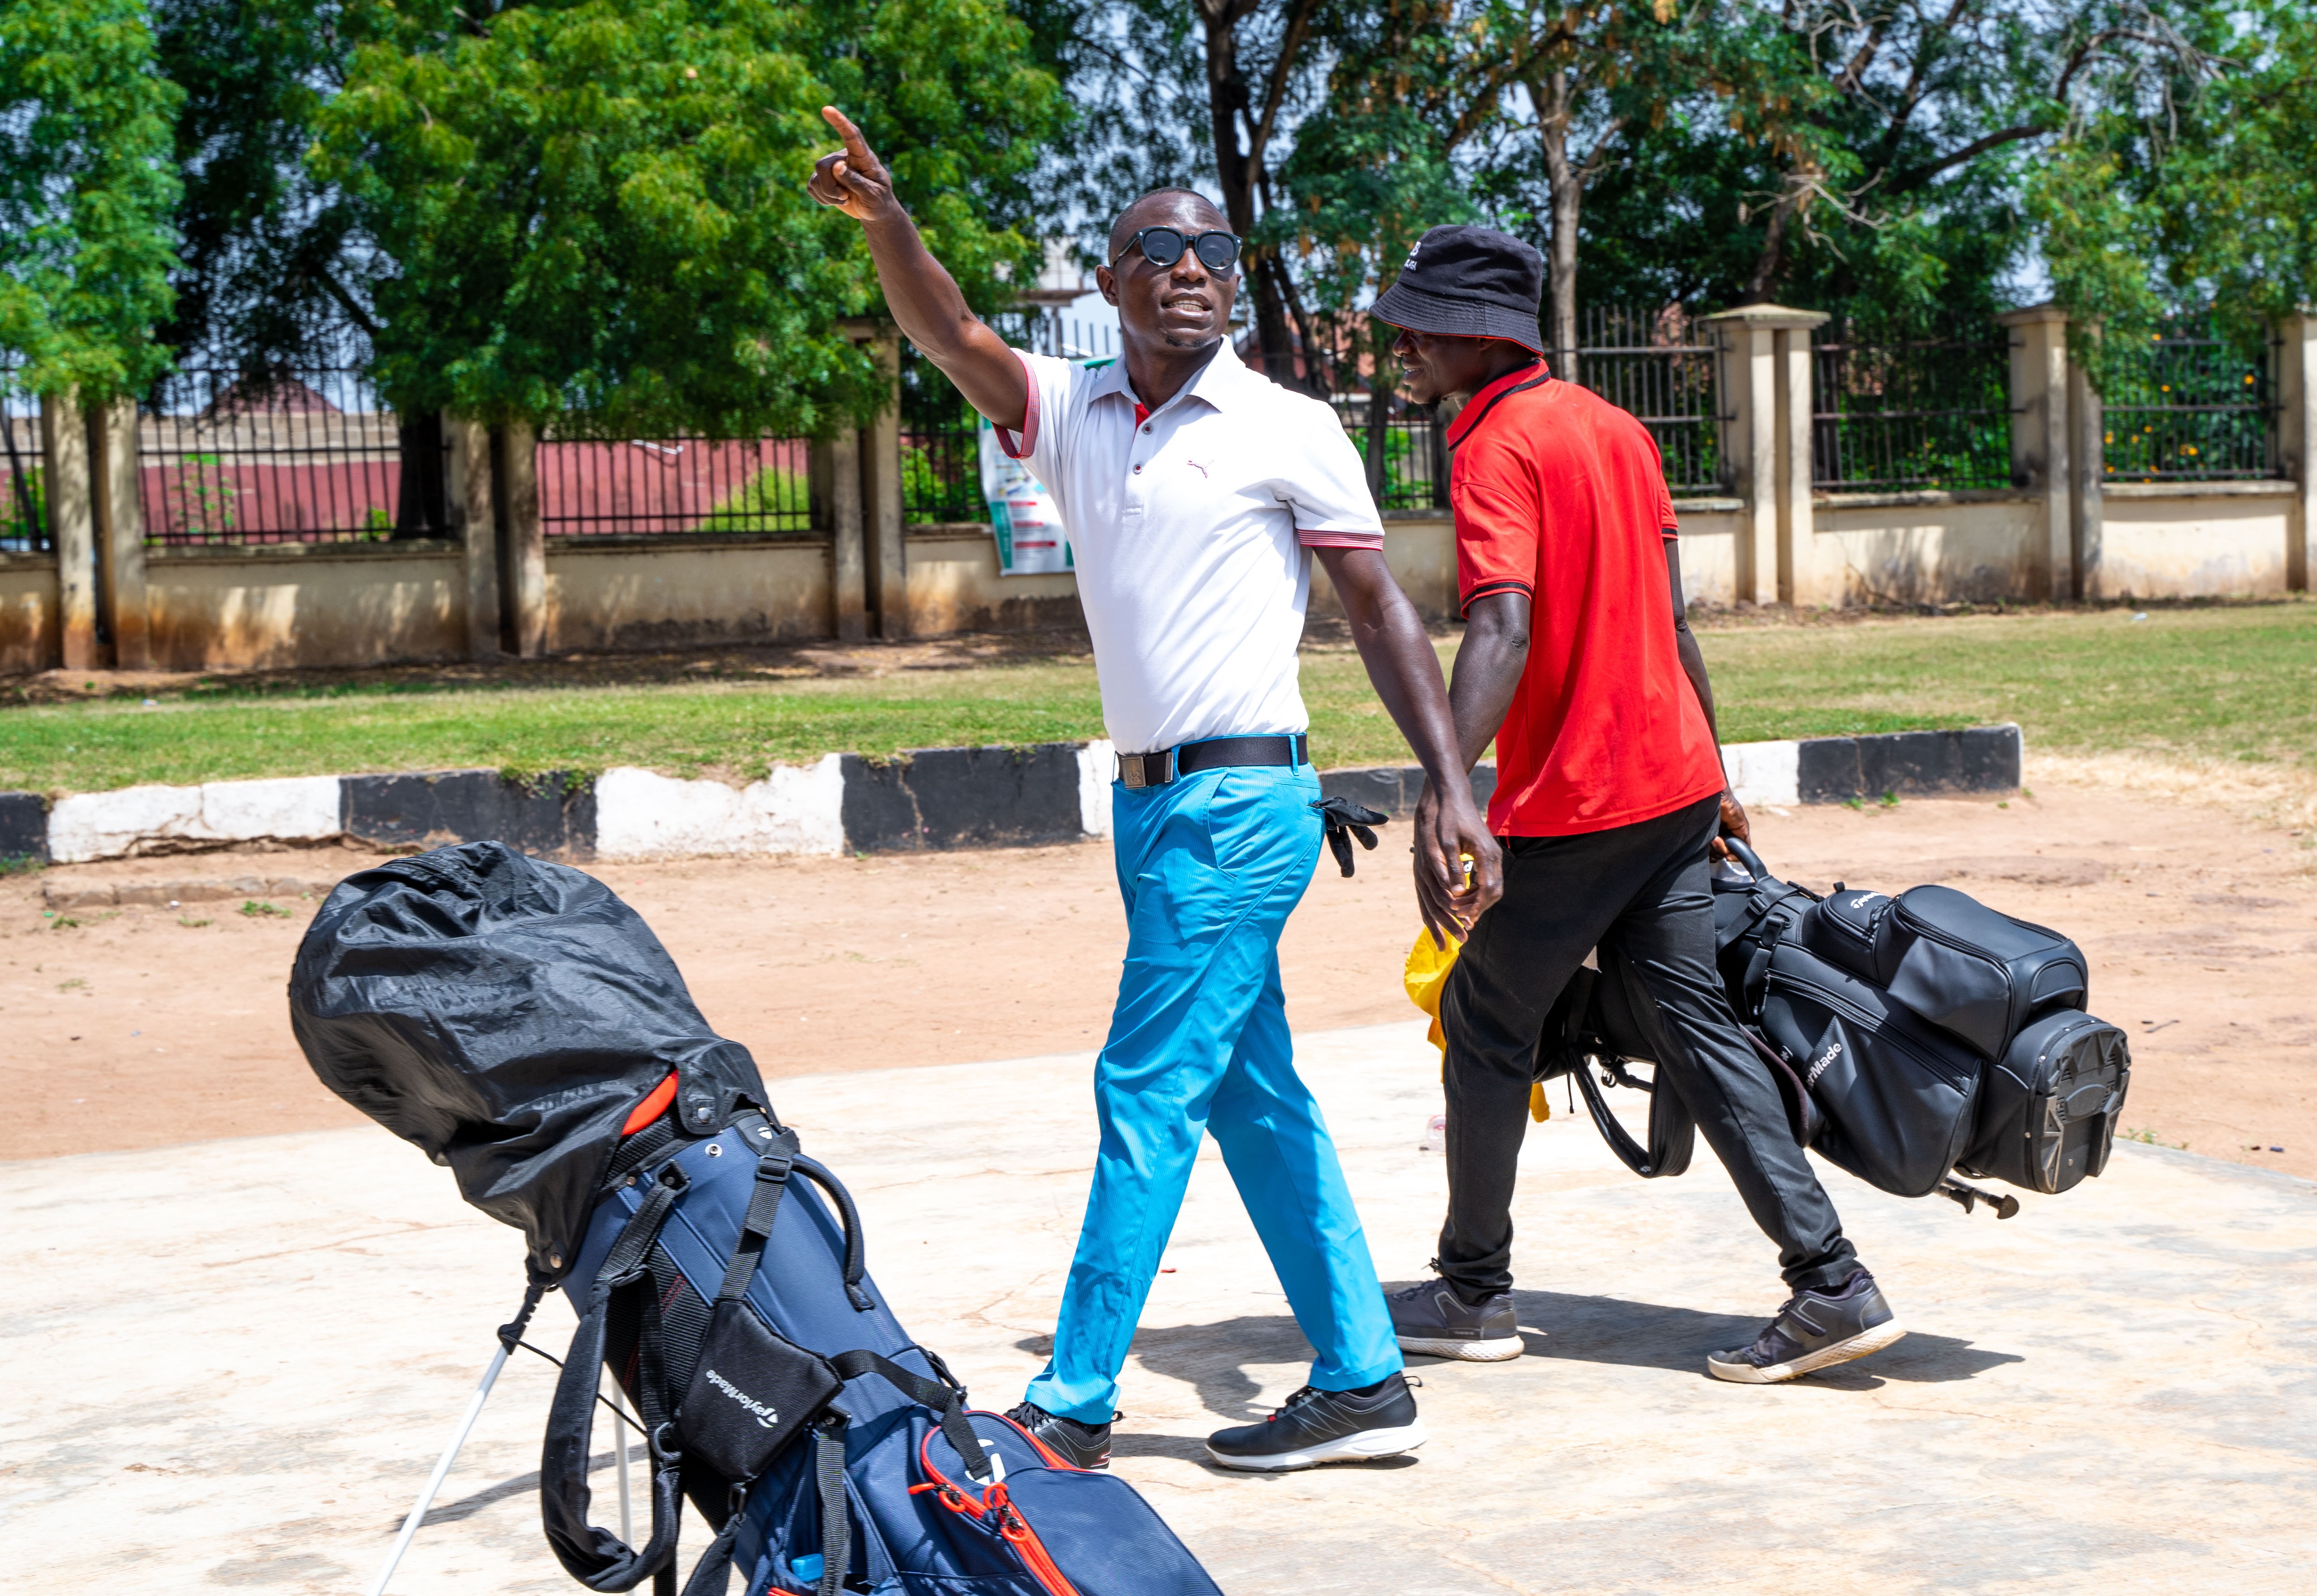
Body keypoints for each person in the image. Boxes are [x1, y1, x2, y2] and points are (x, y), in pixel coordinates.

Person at [808, 112, 1504, 1467]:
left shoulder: (1286, 427)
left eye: (1215, 252)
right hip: (1146, 814)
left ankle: (1070, 1402)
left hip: (1244, 814)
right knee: (1253, 1095)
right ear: (1117, 278)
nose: (1192, 267)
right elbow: (953, 336)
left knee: (1143, 1088)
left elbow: (1380, 613)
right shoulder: (1074, 412)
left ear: (1233, 285)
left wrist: (1452, 782)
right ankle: (1362, 1372)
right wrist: (890, 223)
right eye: (1159, 247)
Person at [1374, 225, 1904, 1384]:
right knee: (1692, 1025)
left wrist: (1446, 791)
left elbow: (1500, 627)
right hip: (1670, 789)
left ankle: (1471, 1288)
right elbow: (1674, 624)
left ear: (1478, 335)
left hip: (1583, 803)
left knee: (1483, 1016)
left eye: (1417, 325)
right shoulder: (1618, 430)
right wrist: (1718, 781)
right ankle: (1831, 1282)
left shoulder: (1493, 444)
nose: (1402, 343)